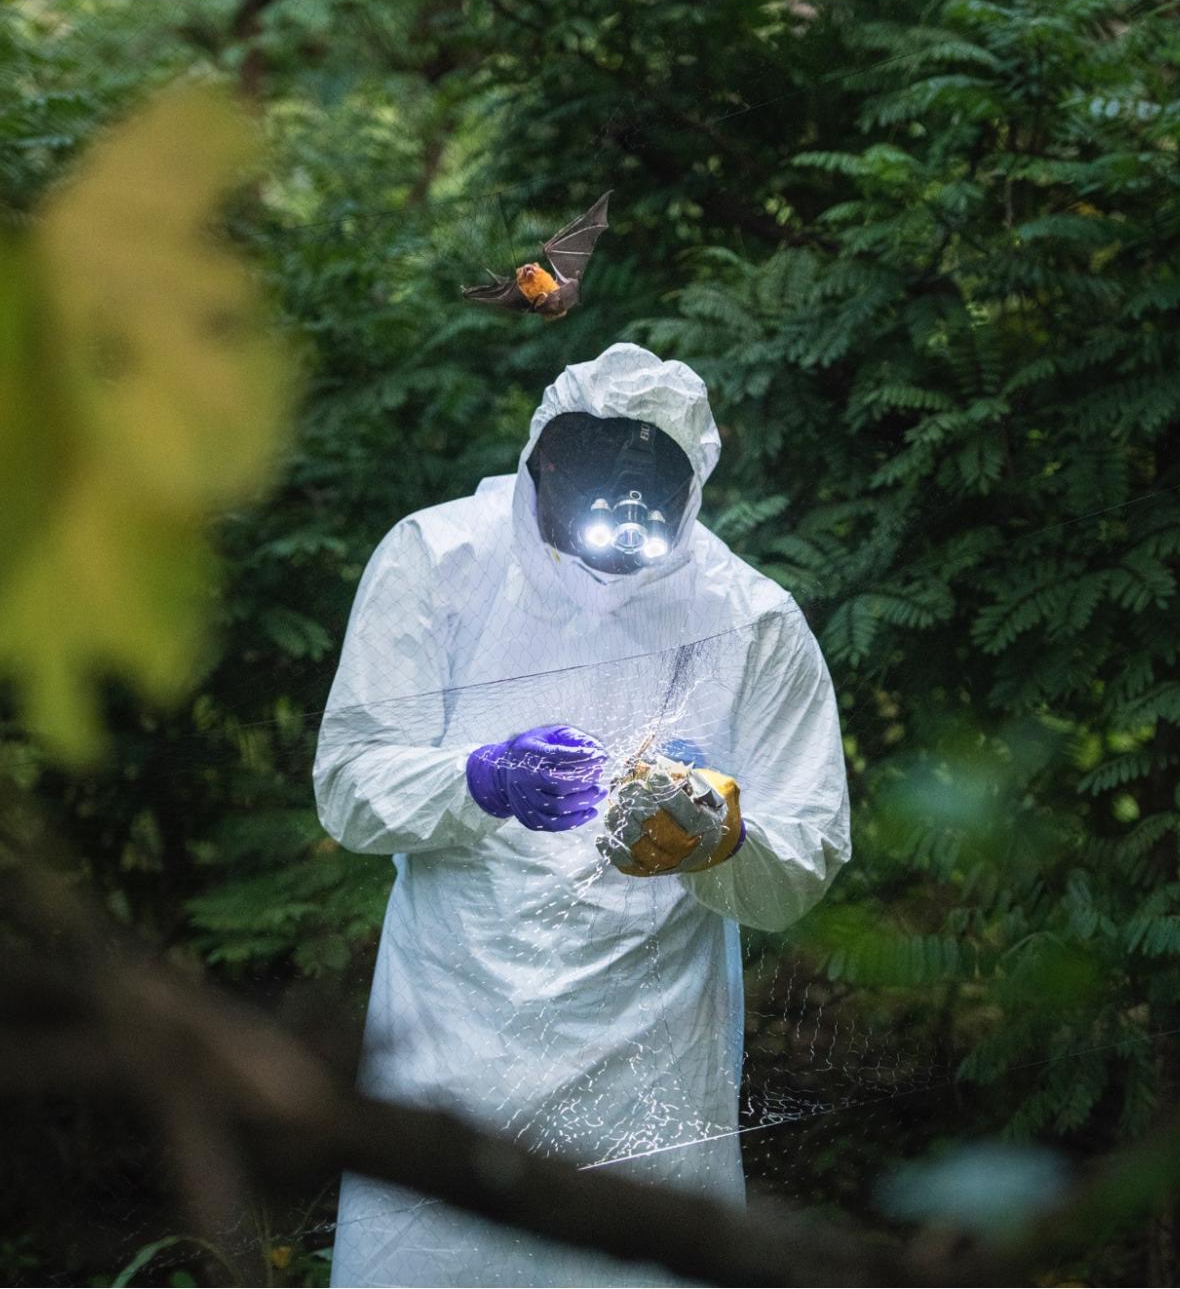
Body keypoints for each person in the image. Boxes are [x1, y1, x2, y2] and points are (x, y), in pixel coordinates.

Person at [314, 342, 851, 1287]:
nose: (620, 524)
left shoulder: (751, 618)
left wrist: (719, 836)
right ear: (543, 462)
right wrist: (478, 782)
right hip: (454, 1033)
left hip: (648, 1062)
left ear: (690, 492)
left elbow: (803, 859)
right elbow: (350, 784)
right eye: (597, 487)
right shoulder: (441, 560)